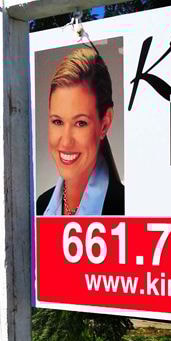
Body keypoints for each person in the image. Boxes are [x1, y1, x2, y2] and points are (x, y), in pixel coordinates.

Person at [36, 46, 124, 215]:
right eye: (57, 121)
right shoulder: (41, 205)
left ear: (104, 124)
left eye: (80, 123)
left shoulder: (124, 207)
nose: (66, 141)